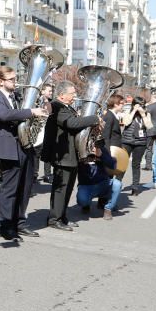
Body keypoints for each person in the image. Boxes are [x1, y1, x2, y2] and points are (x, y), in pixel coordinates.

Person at [0, 65, 47, 240]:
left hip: (25, 146)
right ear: (1, 81)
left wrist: (41, 108)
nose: (16, 81)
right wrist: (30, 112)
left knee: (25, 188)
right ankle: (6, 225)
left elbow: (23, 113)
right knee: (9, 190)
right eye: (12, 79)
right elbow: (5, 115)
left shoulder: (17, 96)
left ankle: (19, 222)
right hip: (10, 149)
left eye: (15, 78)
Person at [41, 80, 98, 231]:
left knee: (68, 188)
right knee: (61, 189)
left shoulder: (65, 107)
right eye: (72, 94)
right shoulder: (56, 106)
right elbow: (71, 123)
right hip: (62, 155)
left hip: (70, 155)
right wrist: (94, 119)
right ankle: (54, 219)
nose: (75, 96)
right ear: (61, 95)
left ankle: (62, 217)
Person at [75, 141, 121, 220]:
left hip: (103, 183)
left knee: (117, 184)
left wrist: (101, 155)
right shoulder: (80, 150)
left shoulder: (101, 149)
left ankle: (108, 208)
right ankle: (86, 204)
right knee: (82, 200)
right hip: (86, 185)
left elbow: (113, 165)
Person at [120, 95, 152, 194]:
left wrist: (143, 114)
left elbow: (149, 126)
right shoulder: (128, 112)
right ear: (134, 104)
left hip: (140, 142)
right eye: (138, 105)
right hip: (127, 141)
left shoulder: (147, 114)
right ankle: (117, 184)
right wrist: (133, 111)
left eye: (142, 105)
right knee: (123, 164)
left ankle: (135, 187)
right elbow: (126, 122)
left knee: (136, 164)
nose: (140, 107)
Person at [35, 83, 55, 182]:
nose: (51, 93)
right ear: (42, 91)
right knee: (36, 154)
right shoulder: (35, 100)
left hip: (46, 131)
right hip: (37, 131)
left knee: (47, 152)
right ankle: (34, 174)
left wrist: (47, 102)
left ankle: (47, 174)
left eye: (51, 91)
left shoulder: (51, 102)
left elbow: (50, 113)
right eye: (49, 91)